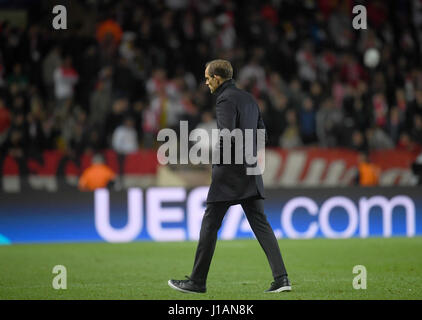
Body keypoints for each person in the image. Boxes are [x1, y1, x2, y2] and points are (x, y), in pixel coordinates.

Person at [168, 59, 290, 294]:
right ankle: (282, 278)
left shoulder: (224, 99)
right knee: (261, 224)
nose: (206, 82)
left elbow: (226, 135)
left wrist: (216, 161)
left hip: (229, 173)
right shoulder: (249, 98)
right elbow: (262, 134)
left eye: (207, 77)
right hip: (250, 169)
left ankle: (197, 281)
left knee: (210, 222)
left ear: (217, 78)